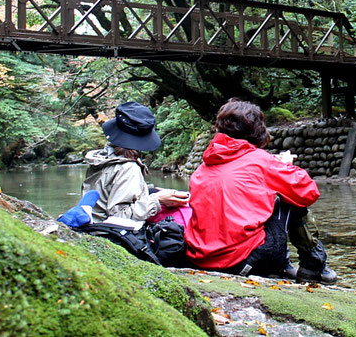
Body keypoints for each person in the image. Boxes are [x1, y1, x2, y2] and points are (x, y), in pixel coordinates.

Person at [185, 99, 336, 283]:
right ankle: (314, 264)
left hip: (201, 261)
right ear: (257, 130)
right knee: (289, 199)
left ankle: (286, 266)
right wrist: (285, 167)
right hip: (244, 263)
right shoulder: (260, 160)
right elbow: (308, 193)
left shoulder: (203, 166)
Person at [82, 102, 189, 223]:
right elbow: (119, 217)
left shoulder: (102, 158)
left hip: (92, 225)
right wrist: (157, 199)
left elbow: (110, 192)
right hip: (108, 233)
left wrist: (152, 191)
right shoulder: (128, 168)